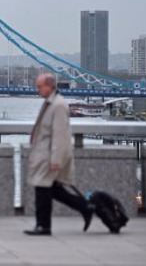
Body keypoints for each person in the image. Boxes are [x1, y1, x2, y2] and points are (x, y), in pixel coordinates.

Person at [24, 73, 94, 236]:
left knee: (42, 188)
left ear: (50, 86)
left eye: (39, 86)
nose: (37, 90)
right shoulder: (50, 103)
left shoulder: (59, 106)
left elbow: (61, 135)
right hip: (44, 154)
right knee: (53, 189)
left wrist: (56, 160)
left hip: (50, 156)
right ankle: (85, 208)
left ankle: (43, 226)